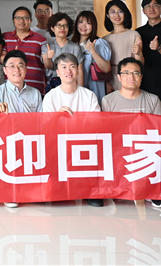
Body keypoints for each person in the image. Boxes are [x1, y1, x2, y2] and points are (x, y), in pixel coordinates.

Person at [102, 57, 161, 208]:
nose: (131, 77)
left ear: (141, 77)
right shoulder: (108, 101)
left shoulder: (153, 99)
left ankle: (151, 191)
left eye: (136, 73)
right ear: (119, 77)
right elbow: (106, 132)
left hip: (145, 148)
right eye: (126, 73)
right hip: (119, 148)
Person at [41, 53, 102, 207]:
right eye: (64, 67)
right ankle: (57, 188)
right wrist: (57, 117)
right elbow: (45, 127)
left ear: (78, 70)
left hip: (83, 142)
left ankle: (91, 191)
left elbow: (96, 124)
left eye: (72, 67)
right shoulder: (50, 97)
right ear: (57, 72)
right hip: (58, 143)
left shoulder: (89, 95)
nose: (68, 71)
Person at [0, 50, 42, 209]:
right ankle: (10, 192)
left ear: (26, 69)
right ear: (4, 70)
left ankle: (32, 190)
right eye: (11, 66)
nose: (16, 70)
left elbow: (42, 121)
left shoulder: (35, 93)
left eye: (20, 66)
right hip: (7, 140)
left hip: (29, 140)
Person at [1, 7, 47, 94]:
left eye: (25, 18)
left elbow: (47, 64)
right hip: (12, 90)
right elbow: (1, 60)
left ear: (31, 20)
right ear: (13, 20)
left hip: (36, 89)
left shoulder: (41, 39)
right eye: (18, 18)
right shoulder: (5, 37)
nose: (21, 21)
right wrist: (13, 56)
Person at [102, 0, 144, 93]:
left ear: (125, 13)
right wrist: (106, 82)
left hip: (129, 76)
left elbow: (140, 63)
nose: (117, 15)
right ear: (107, 15)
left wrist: (139, 53)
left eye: (120, 11)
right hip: (110, 78)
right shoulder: (104, 39)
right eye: (112, 12)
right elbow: (101, 65)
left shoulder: (134, 35)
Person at [71, 11, 112, 104]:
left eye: (88, 23)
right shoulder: (72, 44)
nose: (83, 26)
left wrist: (93, 51)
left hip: (94, 89)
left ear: (93, 25)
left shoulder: (99, 43)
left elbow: (106, 68)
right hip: (74, 89)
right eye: (80, 22)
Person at [41, 12, 84, 93]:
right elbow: (48, 66)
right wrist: (48, 57)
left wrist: (81, 91)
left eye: (65, 25)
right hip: (53, 86)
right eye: (59, 25)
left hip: (71, 84)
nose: (62, 28)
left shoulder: (75, 47)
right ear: (52, 28)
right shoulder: (46, 47)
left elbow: (79, 71)